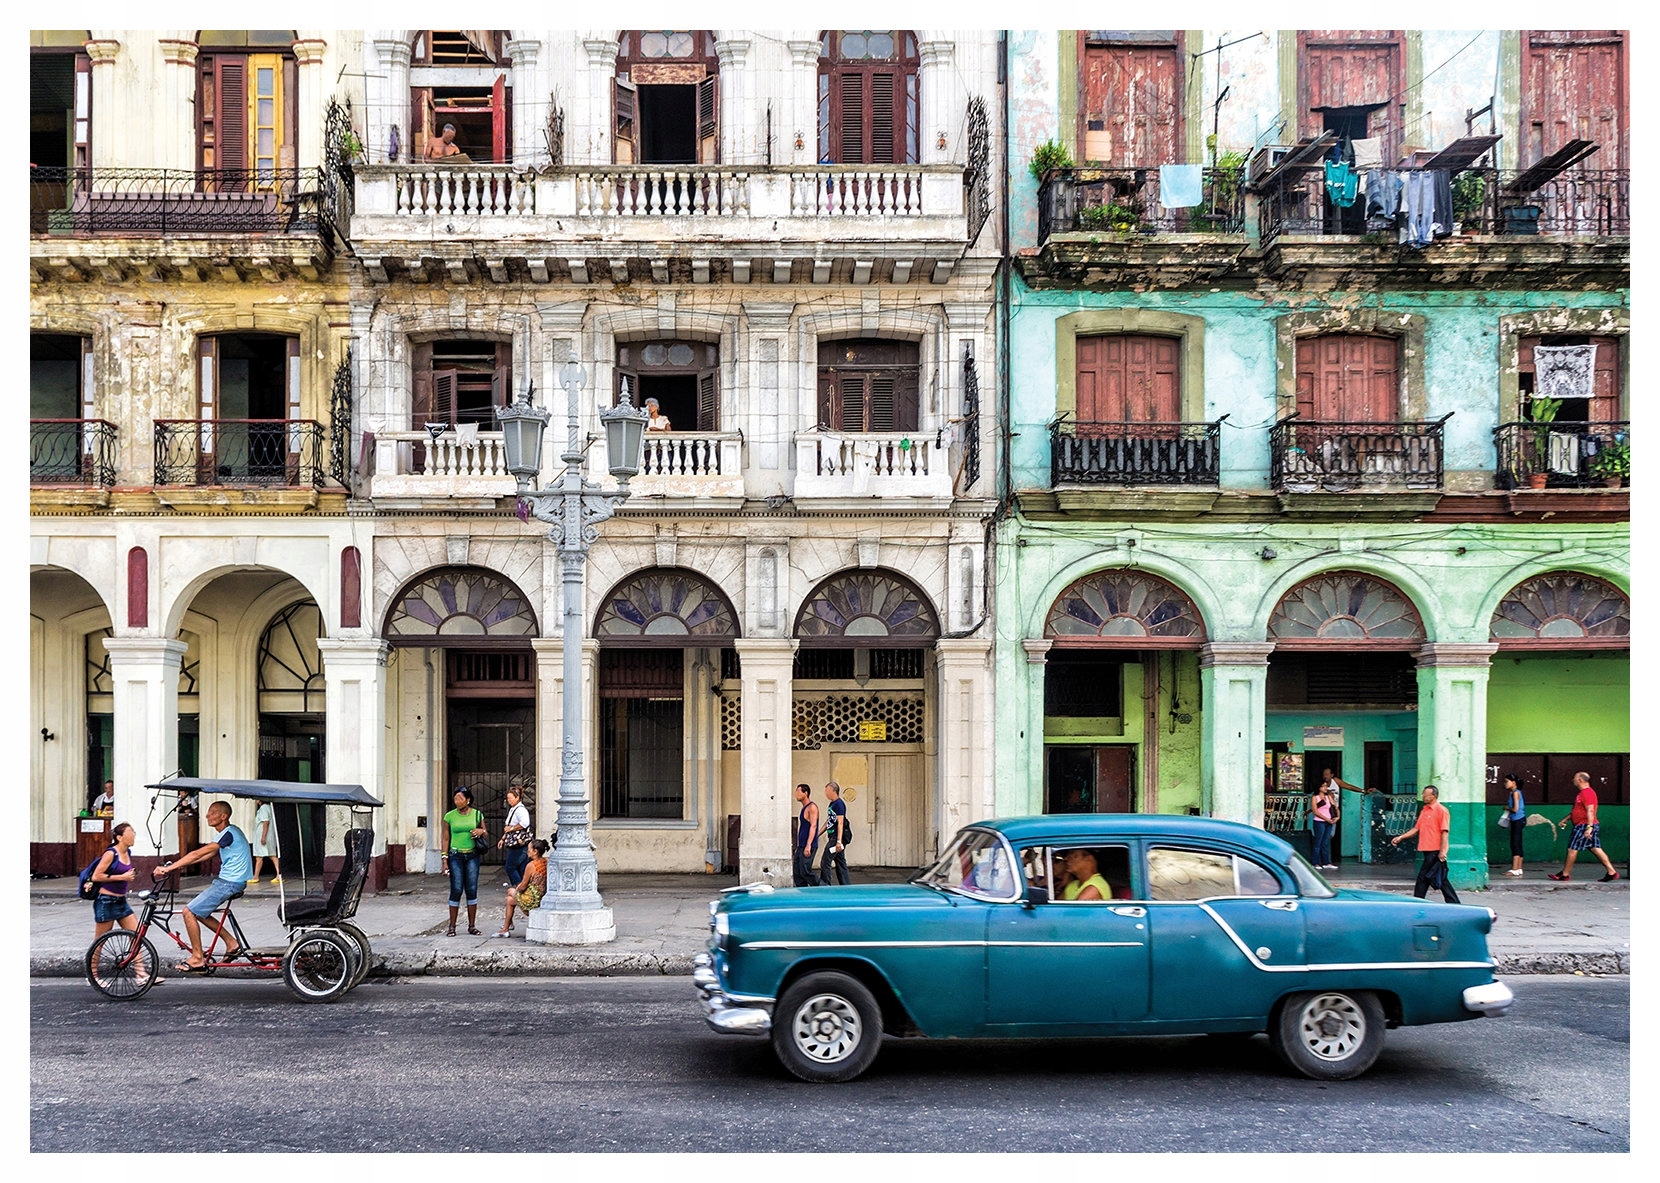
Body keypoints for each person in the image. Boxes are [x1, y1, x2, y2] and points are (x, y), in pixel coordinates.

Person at [155, 800, 251, 969]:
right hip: (229, 881)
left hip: (230, 883)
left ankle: (197, 957)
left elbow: (198, 853)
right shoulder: (227, 833)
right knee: (199, 912)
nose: (207, 815)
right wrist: (175, 867)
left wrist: (169, 869)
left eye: (212, 812)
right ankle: (231, 943)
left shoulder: (228, 833)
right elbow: (203, 856)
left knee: (188, 912)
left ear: (224, 816)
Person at [88, 822, 159, 985]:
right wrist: (122, 877)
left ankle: (140, 974)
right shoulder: (110, 853)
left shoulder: (128, 852)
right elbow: (96, 876)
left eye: (133, 831)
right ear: (120, 837)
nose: (133, 834)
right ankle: (93, 976)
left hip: (121, 901)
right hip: (106, 901)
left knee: (136, 935)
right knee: (100, 941)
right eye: (130, 832)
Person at [1390, 784, 1461, 904]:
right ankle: (1454, 902)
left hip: (1435, 850)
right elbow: (1416, 829)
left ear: (1434, 796)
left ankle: (1417, 901)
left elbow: (1444, 832)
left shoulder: (1442, 811)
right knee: (1440, 877)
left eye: (1425, 794)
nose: (1423, 796)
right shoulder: (1424, 810)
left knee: (1423, 877)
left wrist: (1443, 851)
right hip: (1426, 849)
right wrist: (1401, 837)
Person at [1549, 771, 1619, 882]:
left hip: (1583, 826)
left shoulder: (1587, 793)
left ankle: (1565, 874)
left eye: (1575, 778)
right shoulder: (1582, 793)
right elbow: (1578, 810)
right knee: (1595, 848)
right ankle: (1612, 872)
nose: (1573, 780)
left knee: (1572, 849)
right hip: (1585, 824)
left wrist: (1589, 827)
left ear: (1580, 780)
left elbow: (1590, 810)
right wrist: (1566, 819)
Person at [441, 787, 488, 935]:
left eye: (460, 798)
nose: (457, 801)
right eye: (455, 798)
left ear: (468, 800)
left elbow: (485, 834)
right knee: (456, 889)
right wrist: (444, 859)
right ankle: (452, 926)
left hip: (472, 856)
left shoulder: (477, 815)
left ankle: (472, 925)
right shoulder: (449, 816)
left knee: (472, 889)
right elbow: (446, 838)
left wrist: (481, 831)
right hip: (455, 856)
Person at [495, 838, 549, 937]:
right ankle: (506, 927)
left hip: (532, 901)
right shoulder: (546, 861)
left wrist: (517, 890)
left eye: (529, 849)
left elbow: (523, 886)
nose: (527, 851)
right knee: (509, 900)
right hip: (543, 896)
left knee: (510, 892)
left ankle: (506, 928)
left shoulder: (531, 865)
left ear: (535, 851)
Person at [498, 785, 532, 889]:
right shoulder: (514, 809)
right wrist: (503, 838)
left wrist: (511, 829)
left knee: (510, 867)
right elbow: (508, 826)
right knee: (521, 868)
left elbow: (525, 823)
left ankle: (519, 887)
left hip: (518, 844)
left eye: (510, 798)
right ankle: (523, 887)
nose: (508, 801)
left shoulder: (520, 810)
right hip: (515, 842)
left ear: (517, 798)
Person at [818, 780, 851, 886]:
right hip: (832, 836)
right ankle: (846, 885)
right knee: (840, 862)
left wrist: (838, 841)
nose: (825, 793)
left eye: (827, 791)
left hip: (835, 838)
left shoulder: (839, 804)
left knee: (825, 862)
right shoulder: (832, 804)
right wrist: (818, 834)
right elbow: (829, 821)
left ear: (833, 790)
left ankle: (825, 885)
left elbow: (840, 823)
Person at [791, 783, 820, 887]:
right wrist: (799, 846)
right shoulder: (804, 808)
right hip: (801, 845)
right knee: (797, 872)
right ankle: (802, 893)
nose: (796, 794)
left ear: (805, 793)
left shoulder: (812, 807)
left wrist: (808, 845)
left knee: (805, 871)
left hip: (809, 844)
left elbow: (813, 826)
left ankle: (822, 887)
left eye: (798, 791)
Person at [248, 796, 281, 886]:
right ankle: (279, 875)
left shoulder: (264, 808)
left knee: (259, 856)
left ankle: (256, 876)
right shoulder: (268, 807)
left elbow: (265, 822)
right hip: (268, 836)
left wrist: (263, 836)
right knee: (272, 855)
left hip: (263, 836)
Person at [1308, 781, 1338, 871]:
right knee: (1318, 842)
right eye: (1324, 786)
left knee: (1325, 842)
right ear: (1319, 788)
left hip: (1329, 822)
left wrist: (1337, 817)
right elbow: (1315, 811)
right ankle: (1315, 862)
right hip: (1319, 822)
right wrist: (1326, 819)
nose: (1326, 788)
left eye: (1326, 786)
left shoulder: (1328, 797)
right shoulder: (1315, 798)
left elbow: (1335, 807)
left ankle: (1326, 862)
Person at [1501, 774, 1527, 877]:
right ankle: (1519, 868)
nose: (1505, 784)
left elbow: (1515, 809)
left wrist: (1507, 808)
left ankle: (1515, 869)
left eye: (1507, 781)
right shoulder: (1516, 792)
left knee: (1515, 843)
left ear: (1513, 782)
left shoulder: (1515, 793)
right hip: (1520, 820)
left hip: (1517, 820)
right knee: (1518, 843)